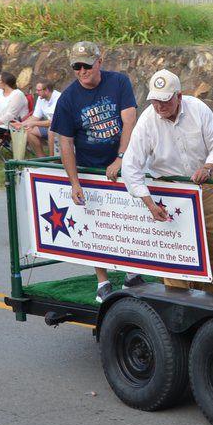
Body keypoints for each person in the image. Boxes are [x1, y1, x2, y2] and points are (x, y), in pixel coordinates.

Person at [121, 70, 213, 294]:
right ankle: (178, 303)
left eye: (164, 100)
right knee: (174, 250)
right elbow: (130, 166)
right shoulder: (147, 121)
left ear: (179, 96)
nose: (159, 106)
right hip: (169, 193)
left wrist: (208, 167)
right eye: (155, 101)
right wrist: (149, 203)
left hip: (205, 188)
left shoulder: (198, 108)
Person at [50, 41, 139, 302]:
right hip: (91, 167)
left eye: (86, 65)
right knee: (95, 227)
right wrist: (74, 181)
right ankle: (102, 281)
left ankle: (132, 272)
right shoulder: (68, 98)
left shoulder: (118, 82)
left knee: (128, 220)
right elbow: (64, 142)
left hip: (122, 164)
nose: (81, 70)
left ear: (99, 62)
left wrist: (121, 158)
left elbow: (129, 119)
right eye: (76, 66)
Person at [10, 81, 60, 157]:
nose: (36, 92)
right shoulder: (41, 98)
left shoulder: (59, 98)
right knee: (28, 130)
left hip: (63, 128)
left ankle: (53, 159)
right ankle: (42, 158)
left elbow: (54, 122)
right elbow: (35, 117)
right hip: (51, 127)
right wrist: (21, 124)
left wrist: (33, 123)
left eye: (38, 90)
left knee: (51, 130)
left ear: (46, 90)